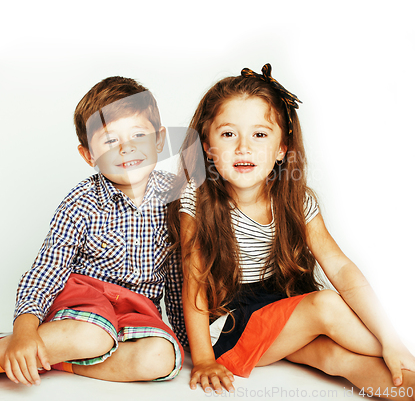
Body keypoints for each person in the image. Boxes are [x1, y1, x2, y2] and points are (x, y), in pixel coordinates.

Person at [168, 64, 415, 399]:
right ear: (207, 147)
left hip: (280, 315)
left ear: (282, 148)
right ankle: (405, 354)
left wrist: (392, 345)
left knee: (335, 357)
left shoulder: (296, 202)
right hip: (227, 330)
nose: (244, 147)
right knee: (326, 306)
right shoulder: (195, 200)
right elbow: (194, 280)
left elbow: (340, 268)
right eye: (228, 134)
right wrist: (203, 360)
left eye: (260, 134)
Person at [0, 76, 185, 386]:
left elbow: (180, 275)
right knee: (93, 335)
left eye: (139, 135)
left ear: (159, 141)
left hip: (137, 311)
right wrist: (24, 330)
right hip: (84, 304)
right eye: (110, 141)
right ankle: (12, 349)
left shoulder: (176, 200)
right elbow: (48, 269)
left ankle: (59, 362)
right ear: (89, 155)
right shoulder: (81, 202)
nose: (127, 149)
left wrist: (192, 343)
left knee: (162, 357)